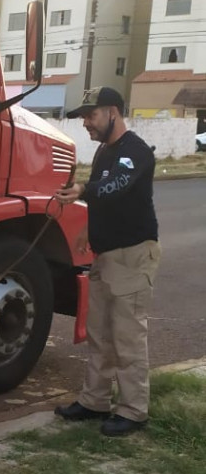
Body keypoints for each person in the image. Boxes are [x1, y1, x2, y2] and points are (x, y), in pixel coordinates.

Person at [53, 86, 161, 437]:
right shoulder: (104, 152)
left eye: (91, 114)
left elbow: (116, 185)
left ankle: (133, 410)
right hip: (105, 256)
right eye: (83, 116)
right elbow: (104, 193)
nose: (86, 122)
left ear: (113, 111)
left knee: (128, 336)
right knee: (99, 334)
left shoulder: (136, 152)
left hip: (132, 256)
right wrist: (87, 227)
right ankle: (94, 400)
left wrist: (84, 190)